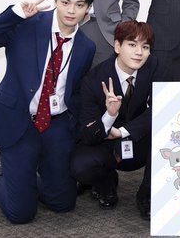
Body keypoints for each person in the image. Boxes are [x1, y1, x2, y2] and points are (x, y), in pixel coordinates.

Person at [0, 0, 96, 224]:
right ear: (56, 0)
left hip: (56, 125)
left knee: (63, 204)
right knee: (21, 214)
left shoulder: (86, 46)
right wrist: (14, 14)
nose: (71, 10)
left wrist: (75, 127)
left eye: (79, 5)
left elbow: (75, 91)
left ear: (88, 9)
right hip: (19, 120)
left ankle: (26, 180)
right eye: (65, 2)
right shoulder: (27, 24)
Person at [70, 20, 159, 220]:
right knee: (80, 165)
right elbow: (88, 133)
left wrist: (123, 131)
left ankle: (147, 196)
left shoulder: (153, 66)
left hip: (137, 138)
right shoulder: (94, 79)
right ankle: (106, 184)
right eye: (132, 45)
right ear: (117, 46)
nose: (139, 52)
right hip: (105, 143)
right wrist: (109, 115)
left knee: (168, 137)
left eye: (145, 47)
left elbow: (160, 107)